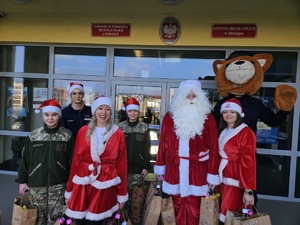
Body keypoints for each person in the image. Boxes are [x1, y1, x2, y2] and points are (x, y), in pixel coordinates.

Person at [154, 80, 220, 225]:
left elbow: (214, 148)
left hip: (198, 171)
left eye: (194, 95)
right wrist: (160, 166)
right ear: (180, 98)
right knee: (174, 207)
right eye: (187, 96)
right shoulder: (169, 118)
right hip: (174, 170)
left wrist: (212, 175)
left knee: (195, 209)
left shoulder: (208, 119)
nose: (190, 99)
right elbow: (162, 145)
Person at [64, 96, 128, 225]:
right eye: (100, 108)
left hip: (105, 183)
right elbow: (76, 161)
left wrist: (122, 193)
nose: (103, 112)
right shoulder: (83, 131)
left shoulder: (117, 133)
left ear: (111, 112)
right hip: (83, 182)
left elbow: (122, 164)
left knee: (97, 221)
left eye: (107, 109)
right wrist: (70, 190)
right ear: (94, 111)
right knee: (79, 220)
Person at [16, 99, 74, 225]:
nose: (50, 118)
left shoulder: (67, 136)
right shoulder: (33, 136)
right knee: (37, 218)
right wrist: (22, 181)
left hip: (59, 185)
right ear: (43, 116)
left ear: (59, 115)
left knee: (58, 218)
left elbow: (72, 161)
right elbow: (25, 160)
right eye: (47, 115)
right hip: (37, 184)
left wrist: (71, 182)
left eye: (54, 115)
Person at [218, 98, 256, 223]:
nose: (228, 115)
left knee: (231, 214)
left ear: (239, 114)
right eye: (225, 112)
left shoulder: (246, 133)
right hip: (223, 180)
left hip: (236, 181)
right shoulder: (224, 131)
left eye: (232, 112)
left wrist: (248, 190)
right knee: (225, 213)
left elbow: (248, 163)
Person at [118, 97, 152, 224]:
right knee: (122, 202)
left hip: (138, 171)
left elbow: (147, 149)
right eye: (130, 111)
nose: (132, 113)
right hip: (122, 172)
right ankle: (123, 222)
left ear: (138, 112)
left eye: (135, 111)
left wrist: (146, 166)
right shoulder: (120, 128)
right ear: (126, 112)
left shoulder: (144, 128)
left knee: (137, 203)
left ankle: (135, 222)